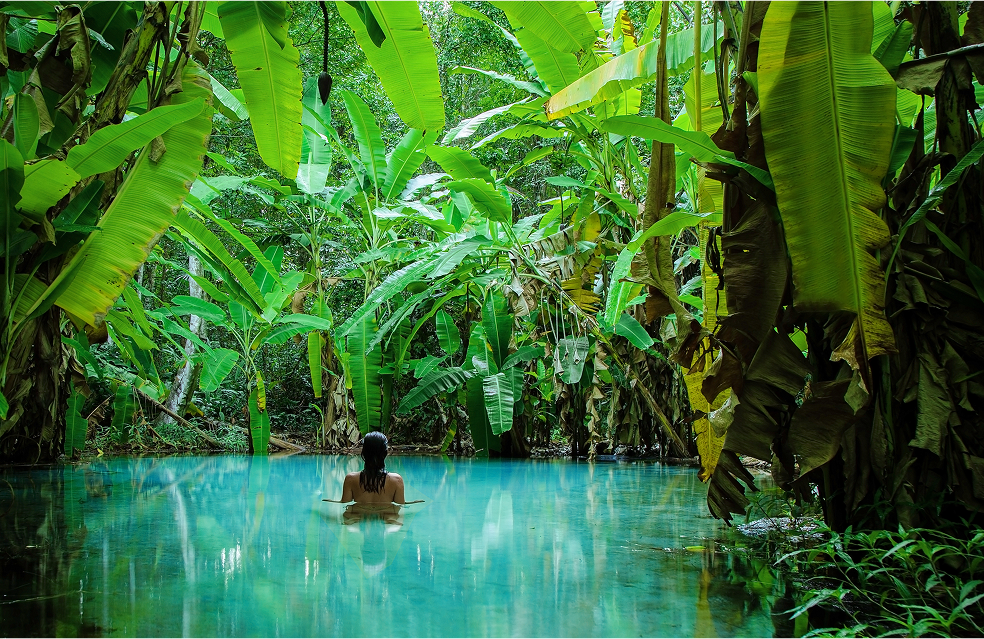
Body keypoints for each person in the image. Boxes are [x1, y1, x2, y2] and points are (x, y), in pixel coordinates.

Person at [341, 431, 407, 505]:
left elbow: (346, 510)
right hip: (386, 515)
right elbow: (400, 509)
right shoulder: (396, 480)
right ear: (385, 453)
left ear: (364, 453)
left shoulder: (350, 479)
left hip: (359, 515)